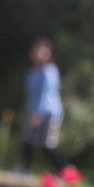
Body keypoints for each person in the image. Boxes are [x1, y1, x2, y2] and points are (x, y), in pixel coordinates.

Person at [22, 39, 67, 172]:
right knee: (28, 140)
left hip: (50, 113)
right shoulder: (32, 73)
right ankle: (25, 169)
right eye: (37, 51)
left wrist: (38, 114)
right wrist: (31, 113)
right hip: (35, 113)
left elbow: (45, 94)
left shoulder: (50, 71)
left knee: (48, 145)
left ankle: (67, 171)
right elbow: (31, 96)